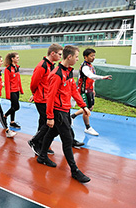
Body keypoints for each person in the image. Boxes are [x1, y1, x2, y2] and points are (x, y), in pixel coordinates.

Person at [37, 45, 91, 183]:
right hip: (58, 111)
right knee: (67, 140)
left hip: (66, 110)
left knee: (51, 133)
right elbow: (50, 96)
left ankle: (42, 156)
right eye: (77, 57)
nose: (78, 59)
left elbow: (73, 91)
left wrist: (83, 106)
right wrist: (50, 116)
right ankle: (75, 171)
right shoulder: (57, 74)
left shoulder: (69, 72)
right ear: (69, 57)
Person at [71, 48, 112, 136]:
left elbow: (90, 79)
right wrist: (102, 77)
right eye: (91, 56)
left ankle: (72, 116)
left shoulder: (91, 66)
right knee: (87, 109)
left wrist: (92, 89)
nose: (93, 57)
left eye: (94, 56)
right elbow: (90, 75)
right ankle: (88, 127)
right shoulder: (85, 66)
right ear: (85, 57)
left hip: (89, 90)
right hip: (84, 91)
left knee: (90, 108)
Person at [3, 52, 23, 129]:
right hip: (12, 91)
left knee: (13, 106)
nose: (18, 59)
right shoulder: (7, 69)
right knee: (16, 106)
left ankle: (12, 122)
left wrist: (21, 90)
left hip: (16, 90)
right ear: (12, 59)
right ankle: (5, 116)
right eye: (17, 57)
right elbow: (7, 82)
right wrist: (8, 94)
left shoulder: (17, 67)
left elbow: (19, 80)